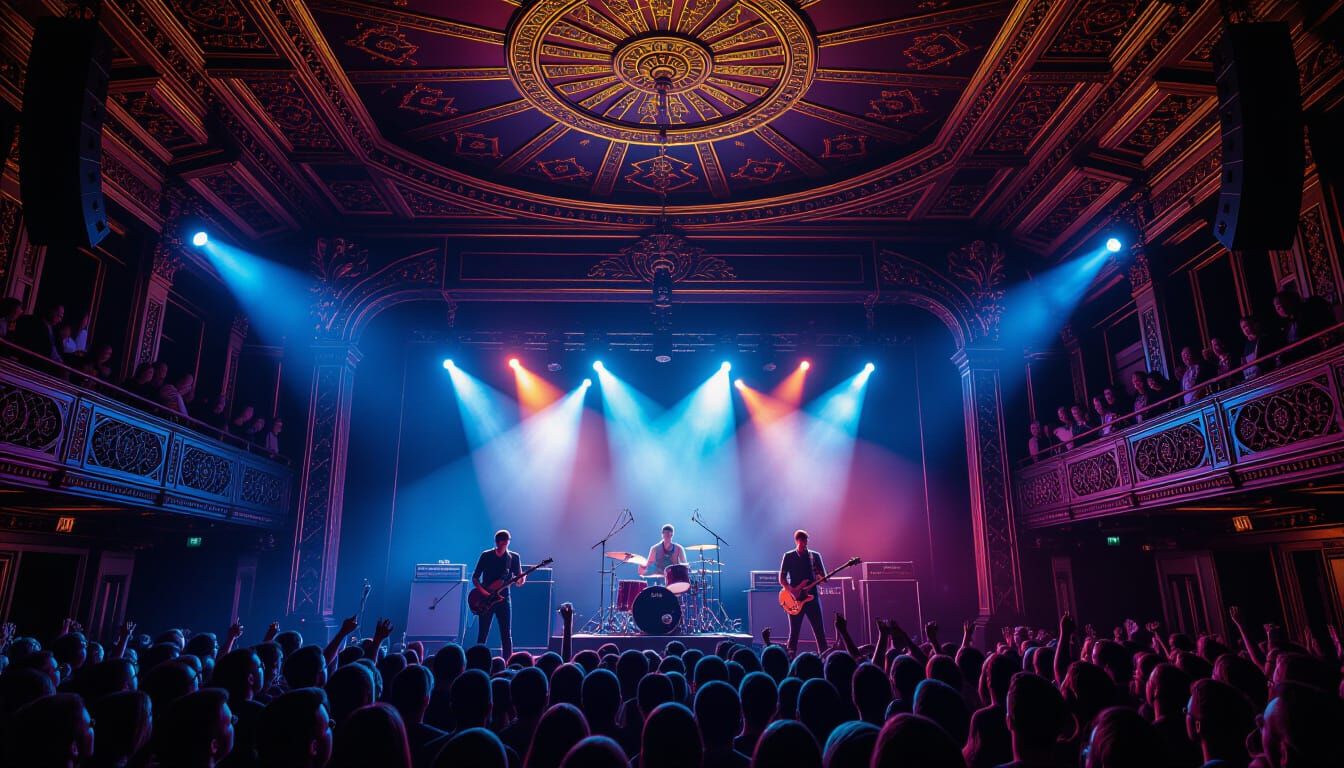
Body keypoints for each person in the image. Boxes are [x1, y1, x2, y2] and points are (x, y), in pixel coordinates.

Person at [473, 529, 524, 658]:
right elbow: (475, 578)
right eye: (501, 543)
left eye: (506, 543)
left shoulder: (513, 558)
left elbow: (519, 582)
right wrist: (484, 593)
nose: (504, 546)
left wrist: (521, 578)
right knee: (482, 633)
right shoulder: (486, 555)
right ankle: (478, 661)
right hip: (486, 599)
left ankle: (507, 662)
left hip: (503, 599)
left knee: (506, 634)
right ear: (497, 542)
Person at [779, 530, 828, 656]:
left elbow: (823, 577)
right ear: (797, 541)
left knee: (819, 631)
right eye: (801, 542)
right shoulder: (788, 556)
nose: (803, 545)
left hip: (812, 598)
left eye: (805, 542)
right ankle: (790, 658)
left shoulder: (814, 556)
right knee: (794, 632)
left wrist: (820, 577)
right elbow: (782, 578)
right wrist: (793, 591)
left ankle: (824, 658)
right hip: (795, 599)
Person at [1239, 316, 1274, 381]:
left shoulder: (1263, 339)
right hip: (1253, 379)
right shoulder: (1246, 345)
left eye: (1246, 326)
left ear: (1253, 324)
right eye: (1243, 328)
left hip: (1265, 377)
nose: (1245, 329)